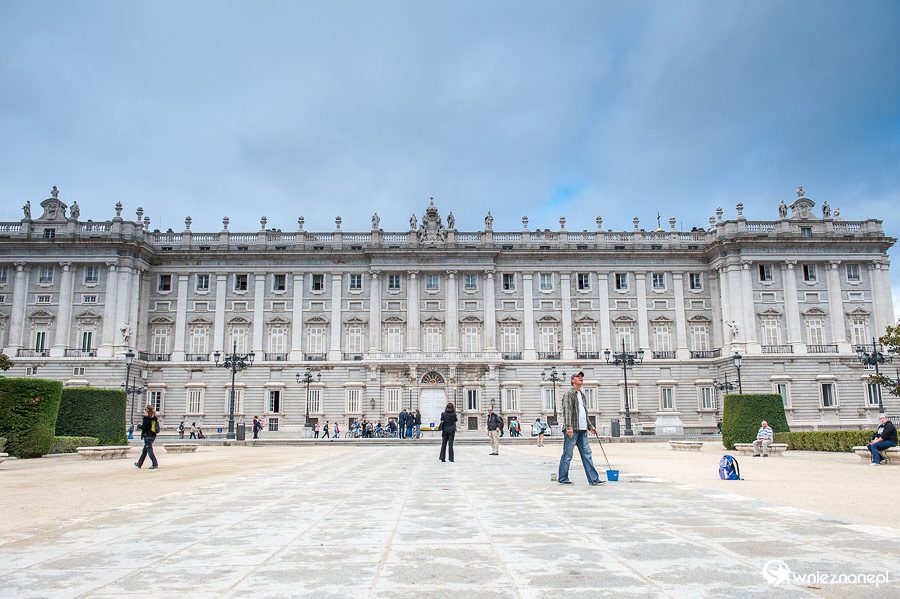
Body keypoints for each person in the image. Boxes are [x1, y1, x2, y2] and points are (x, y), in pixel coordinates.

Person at [557, 371, 603, 486]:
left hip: (582, 430)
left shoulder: (581, 395)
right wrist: (568, 427)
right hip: (572, 429)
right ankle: (563, 478)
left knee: (587, 454)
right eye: (578, 377)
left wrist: (590, 426)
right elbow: (567, 411)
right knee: (567, 455)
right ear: (572, 380)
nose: (581, 378)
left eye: (581, 376)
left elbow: (584, 413)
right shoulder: (569, 393)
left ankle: (594, 479)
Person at [134, 405, 159, 470]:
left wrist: (139, 426)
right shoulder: (154, 418)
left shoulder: (147, 418)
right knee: (145, 450)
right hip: (153, 435)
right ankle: (139, 463)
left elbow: (143, 427)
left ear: (146, 410)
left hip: (147, 435)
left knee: (149, 450)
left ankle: (155, 463)